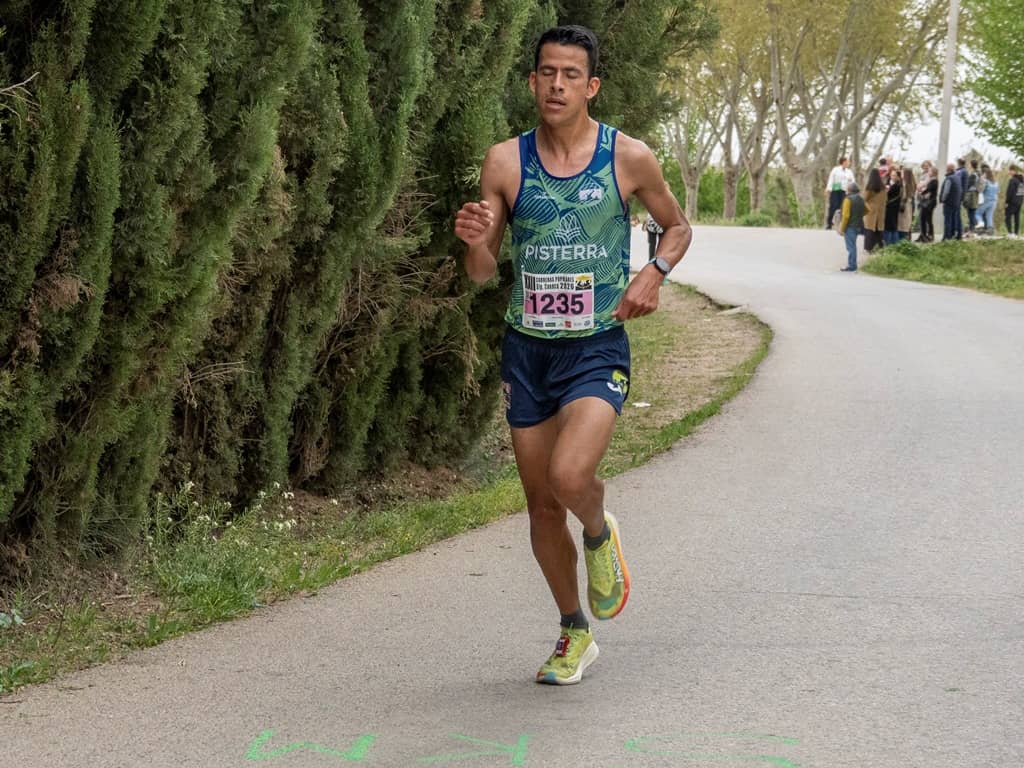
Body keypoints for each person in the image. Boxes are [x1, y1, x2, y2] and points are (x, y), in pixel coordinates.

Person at [454, 25, 691, 686]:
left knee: (569, 475)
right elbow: (481, 272)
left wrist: (654, 273)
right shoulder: (505, 162)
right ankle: (573, 631)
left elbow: (677, 227)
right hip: (527, 351)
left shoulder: (628, 157)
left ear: (591, 86)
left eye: (570, 75)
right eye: (547, 73)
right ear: (532, 81)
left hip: (595, 345)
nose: (556, 85)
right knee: (539, 505)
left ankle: (597, 530)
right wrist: (474, 242)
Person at [838, 182, 865, 271]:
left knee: (850, 247)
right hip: (858, 225)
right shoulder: (861, 199)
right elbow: (867, 209)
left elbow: (846, 216)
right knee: (853, 245)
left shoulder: (848, 199)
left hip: (850, 226)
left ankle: (852, 265)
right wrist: (859, 215)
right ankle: (853, 264)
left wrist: (842, 228)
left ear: (849, 190)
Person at [825, 157, 854, 229]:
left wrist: (851, 184)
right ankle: (829, 223)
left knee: (843, 207)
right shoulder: (836, 169)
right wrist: (828, 189)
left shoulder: (849, 171)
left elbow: (853, 181)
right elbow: (831, 179)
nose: (848, 163)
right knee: (834, 206)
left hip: (845, 191)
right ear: (843, 162)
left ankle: (841, 224)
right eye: (847, 162)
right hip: (835, 190)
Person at [862, 168, 886, 252]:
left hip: (871, 210)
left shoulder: (870, 187)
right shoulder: (883, 187)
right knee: (878, 229)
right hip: (881, 210)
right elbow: (885, 199)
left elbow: (864, 198)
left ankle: (868, 247)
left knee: (869, 229)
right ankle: (879, 246)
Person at [940, 162, 963, 241]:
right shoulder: (957, 178)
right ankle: (953, 236)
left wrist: (943, 199)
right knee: (954, 220)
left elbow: (946, 191)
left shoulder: (949, 178)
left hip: (949, 202)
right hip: (956, 202)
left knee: (948, 220)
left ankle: (946, 237)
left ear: (948, 170)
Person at [916, 164, 938, 242]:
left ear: (933, 172)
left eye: (929, 171)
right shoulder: (931, 180)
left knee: (925, 219)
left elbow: (927, 190)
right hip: (928, 202)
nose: (928, 173)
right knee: (927, 219)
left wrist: (920, 191)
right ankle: (925, 235)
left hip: (929, 203)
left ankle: (926, 235)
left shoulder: (934, 181)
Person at [974, 164, 998, 235]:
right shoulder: (996, 182)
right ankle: (990, 229)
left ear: (985, 174)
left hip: (986, 200)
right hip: (994, 201)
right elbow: (998, 191)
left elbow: (980, 190)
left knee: (977, 213)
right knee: (989, 215)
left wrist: (980, 179)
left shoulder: (986, 181)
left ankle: (981, 226)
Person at [1005, 165, 1023, 237]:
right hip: (1019, 201)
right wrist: (1020, 200)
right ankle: (1016, 233)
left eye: (1010, 170)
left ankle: (1010, 233)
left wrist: (1007, 202)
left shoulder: (1012, 180)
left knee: (1007, 216)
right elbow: (1021, 192)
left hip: (1012, 202)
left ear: (1014, 171)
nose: (1009, 172)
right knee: (1016, 218)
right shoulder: (1021, 180)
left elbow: (1010, 192)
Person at [898, 167, 916, 240]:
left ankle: (903, 240)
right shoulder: (912, 183)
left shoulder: (904, 183)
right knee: (908, 223)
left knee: (902, 224)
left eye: (902, 172)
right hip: (909, 205)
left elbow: (903, 196)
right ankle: (908, 239)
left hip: (904, 206)